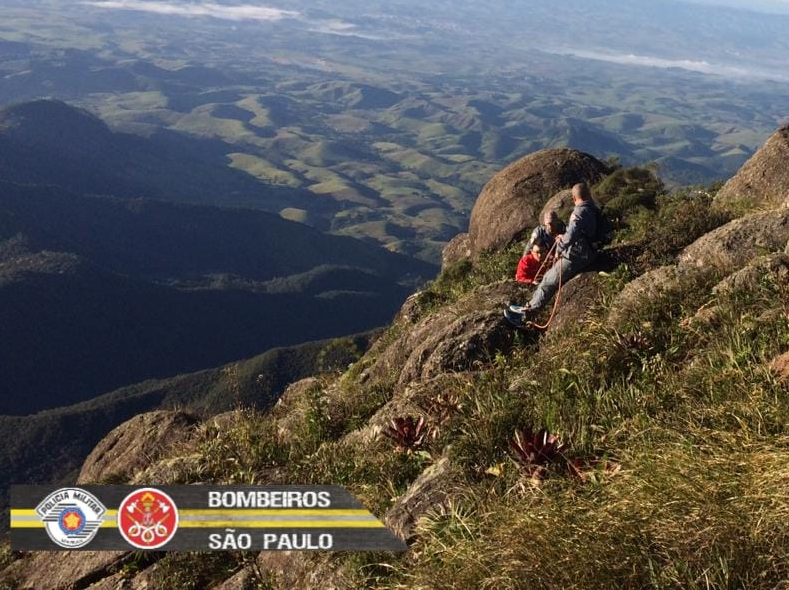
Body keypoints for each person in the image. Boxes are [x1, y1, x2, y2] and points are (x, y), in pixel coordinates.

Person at [507, 182, 601, 320]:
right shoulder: (595, 209)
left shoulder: (580, 211)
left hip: (578, 255)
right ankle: (529, 308)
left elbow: (572, 233)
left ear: (574, 198)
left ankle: (527, 314)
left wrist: (559, 248)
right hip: (591, 251)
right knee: (548, 278)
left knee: (548, 281)